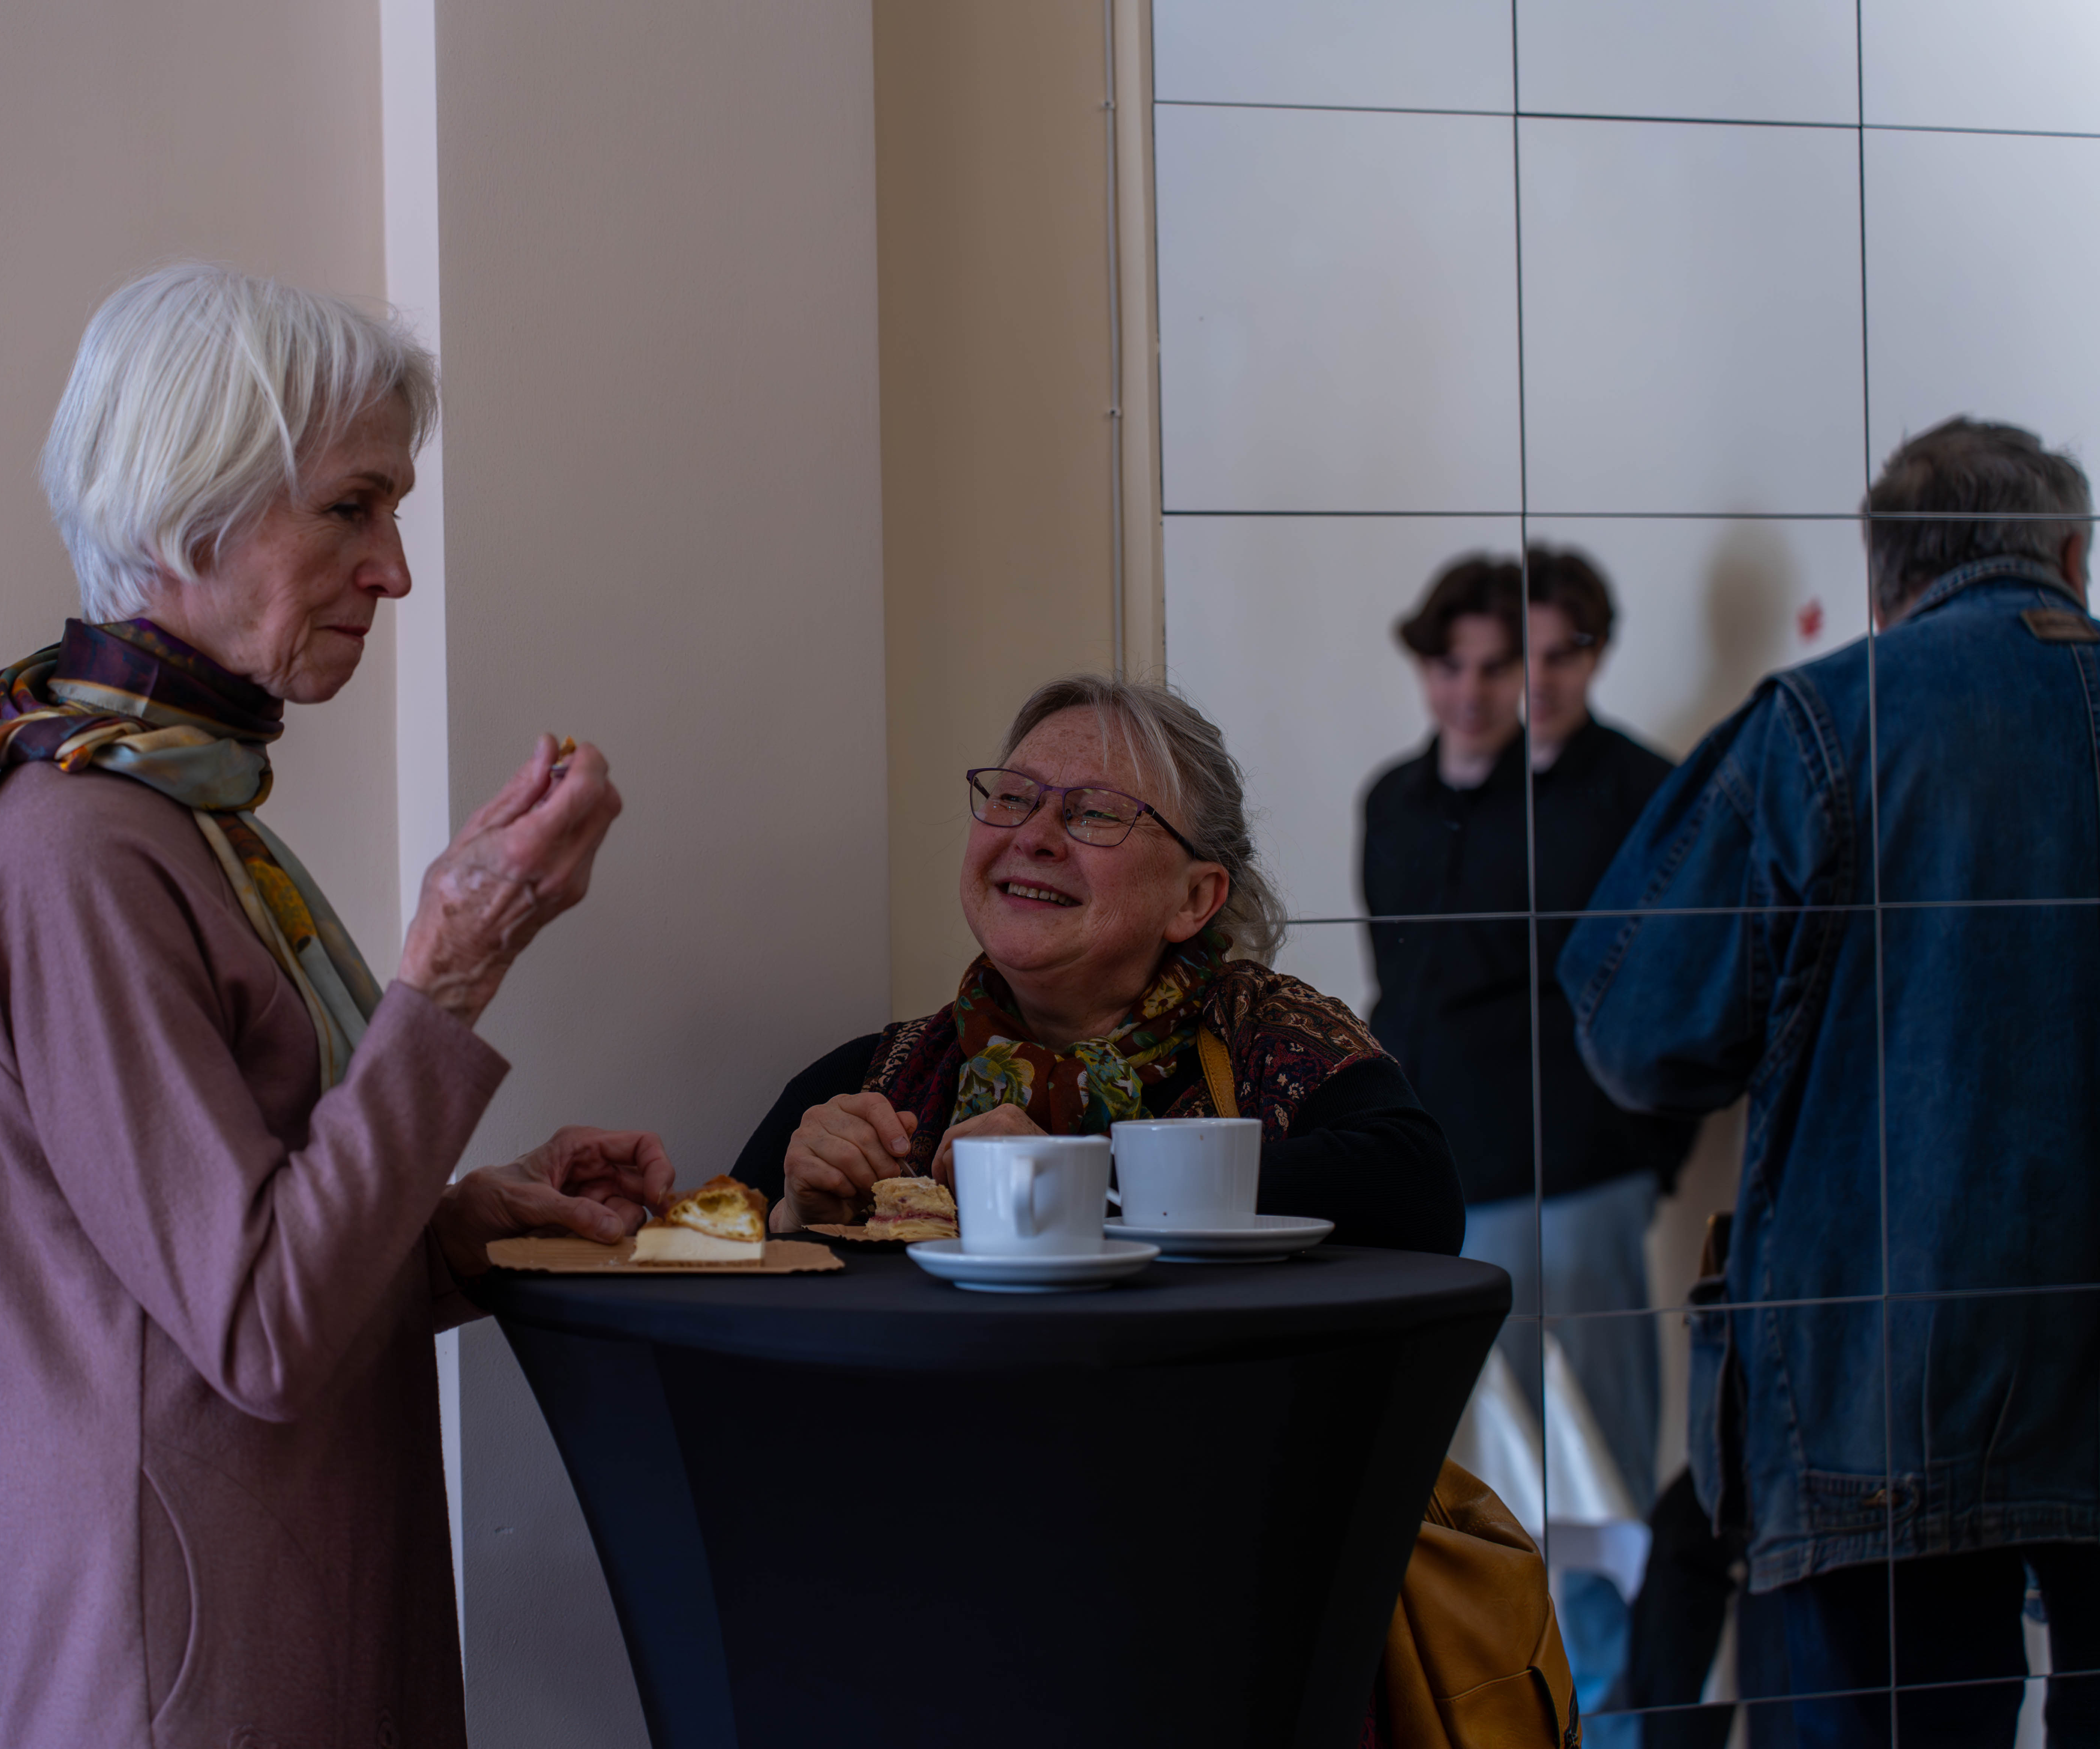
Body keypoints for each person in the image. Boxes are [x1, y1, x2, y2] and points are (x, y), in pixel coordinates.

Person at [0, 264, 672, 1749]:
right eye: (352, 508)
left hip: (277, 1628)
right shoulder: (82, 853)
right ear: (192, 513)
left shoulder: (181, 818)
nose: (394, 570)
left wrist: (463, 1226)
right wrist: (447, 977)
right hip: (188, 1676)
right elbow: (259, 1328)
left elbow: (234, 1266)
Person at [1559, 417, 2100, 1748]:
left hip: (1878, 1383)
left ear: (1882, 584)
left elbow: (1637, 1034)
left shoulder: (1822, 720)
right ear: (2071, 559)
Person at [731, 674, 1461, 1256]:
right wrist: (797, 1219)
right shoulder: (870, 1079)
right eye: (1013, 797)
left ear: (1195, 898)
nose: (1035, 837)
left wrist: (1076, 1178)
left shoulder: (1269, 1039)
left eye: (1096, 812)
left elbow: (1418, 1193)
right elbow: (710, 1291)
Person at [1361, 550, 1698, 1728]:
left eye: (1506, 665)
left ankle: (1612, 1722)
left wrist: (1639, 1157)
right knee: (1467, 1494)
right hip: (1440, 1195)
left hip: (1572, 1182)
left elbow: (1669, 994)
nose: (1484, 689)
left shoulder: (1604, 795)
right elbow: (1400, 991)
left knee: (1593, 1493)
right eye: (1454, 666)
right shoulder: (1397, 803)